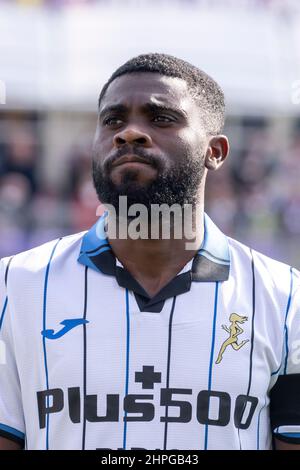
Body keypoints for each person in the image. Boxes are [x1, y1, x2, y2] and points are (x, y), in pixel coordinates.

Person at [0, 53, 299, 450]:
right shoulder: (12, 286)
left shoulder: (287, 300)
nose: (129, 134)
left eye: (161, 119)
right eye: (113, 121)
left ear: (216, 151)